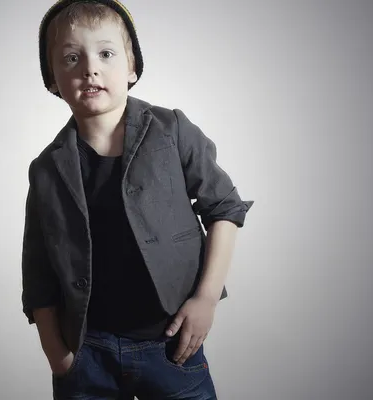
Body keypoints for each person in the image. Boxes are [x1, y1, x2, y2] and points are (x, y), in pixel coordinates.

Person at [21, 1, 254, 398]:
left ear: (131, 67)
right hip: (87, 352)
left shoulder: (173, 129)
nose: (89, 68)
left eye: (106, 53)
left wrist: (206, 299)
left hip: (170, 344)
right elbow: (38, 267)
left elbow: (224, 209)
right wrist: (56, 352)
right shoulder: (46, 168)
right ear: (53, 81)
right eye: (71, 58)